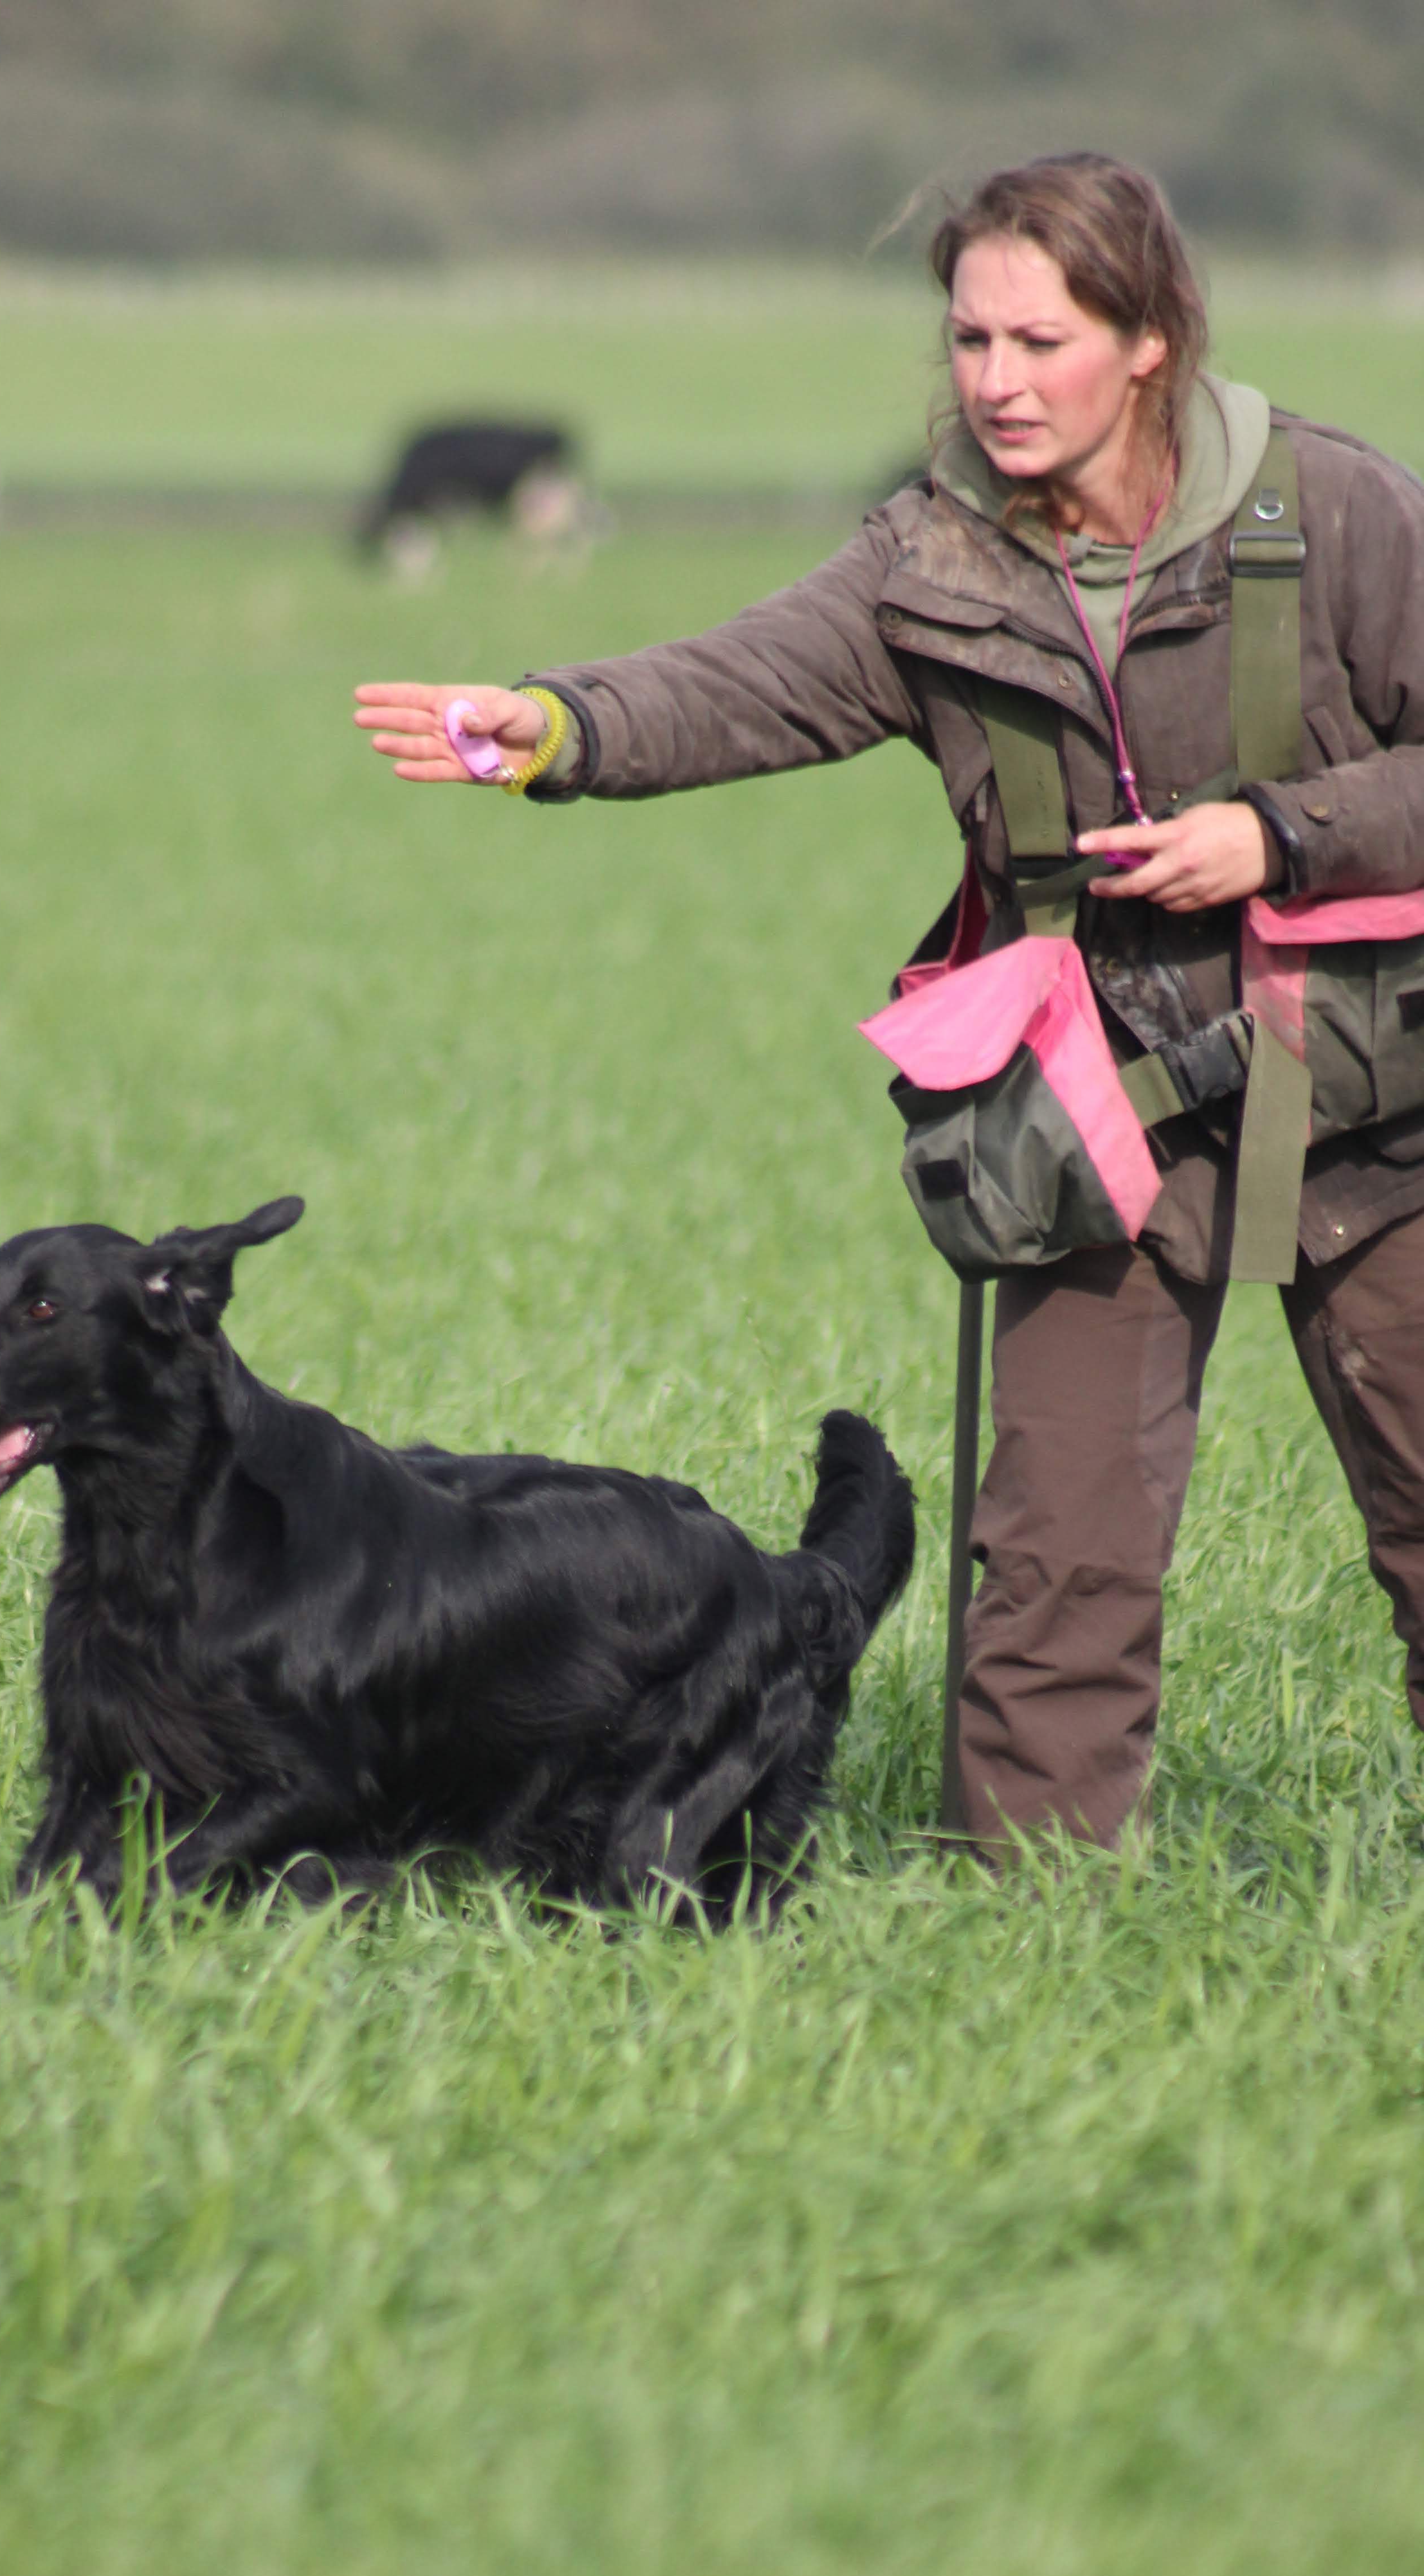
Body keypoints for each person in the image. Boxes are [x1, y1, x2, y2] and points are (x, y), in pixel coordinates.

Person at [352, 151, 1424, 1856]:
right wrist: (560, 726)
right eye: (971, 340)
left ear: (1148, 339)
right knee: (1056, 1561)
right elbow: (749, 679)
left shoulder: (1337, 513)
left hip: (1373, 1097)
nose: (996, 380)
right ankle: (1023, 1925)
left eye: (1040, 341)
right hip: (1103, 1112)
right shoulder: (934, 556)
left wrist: (1283, 833)